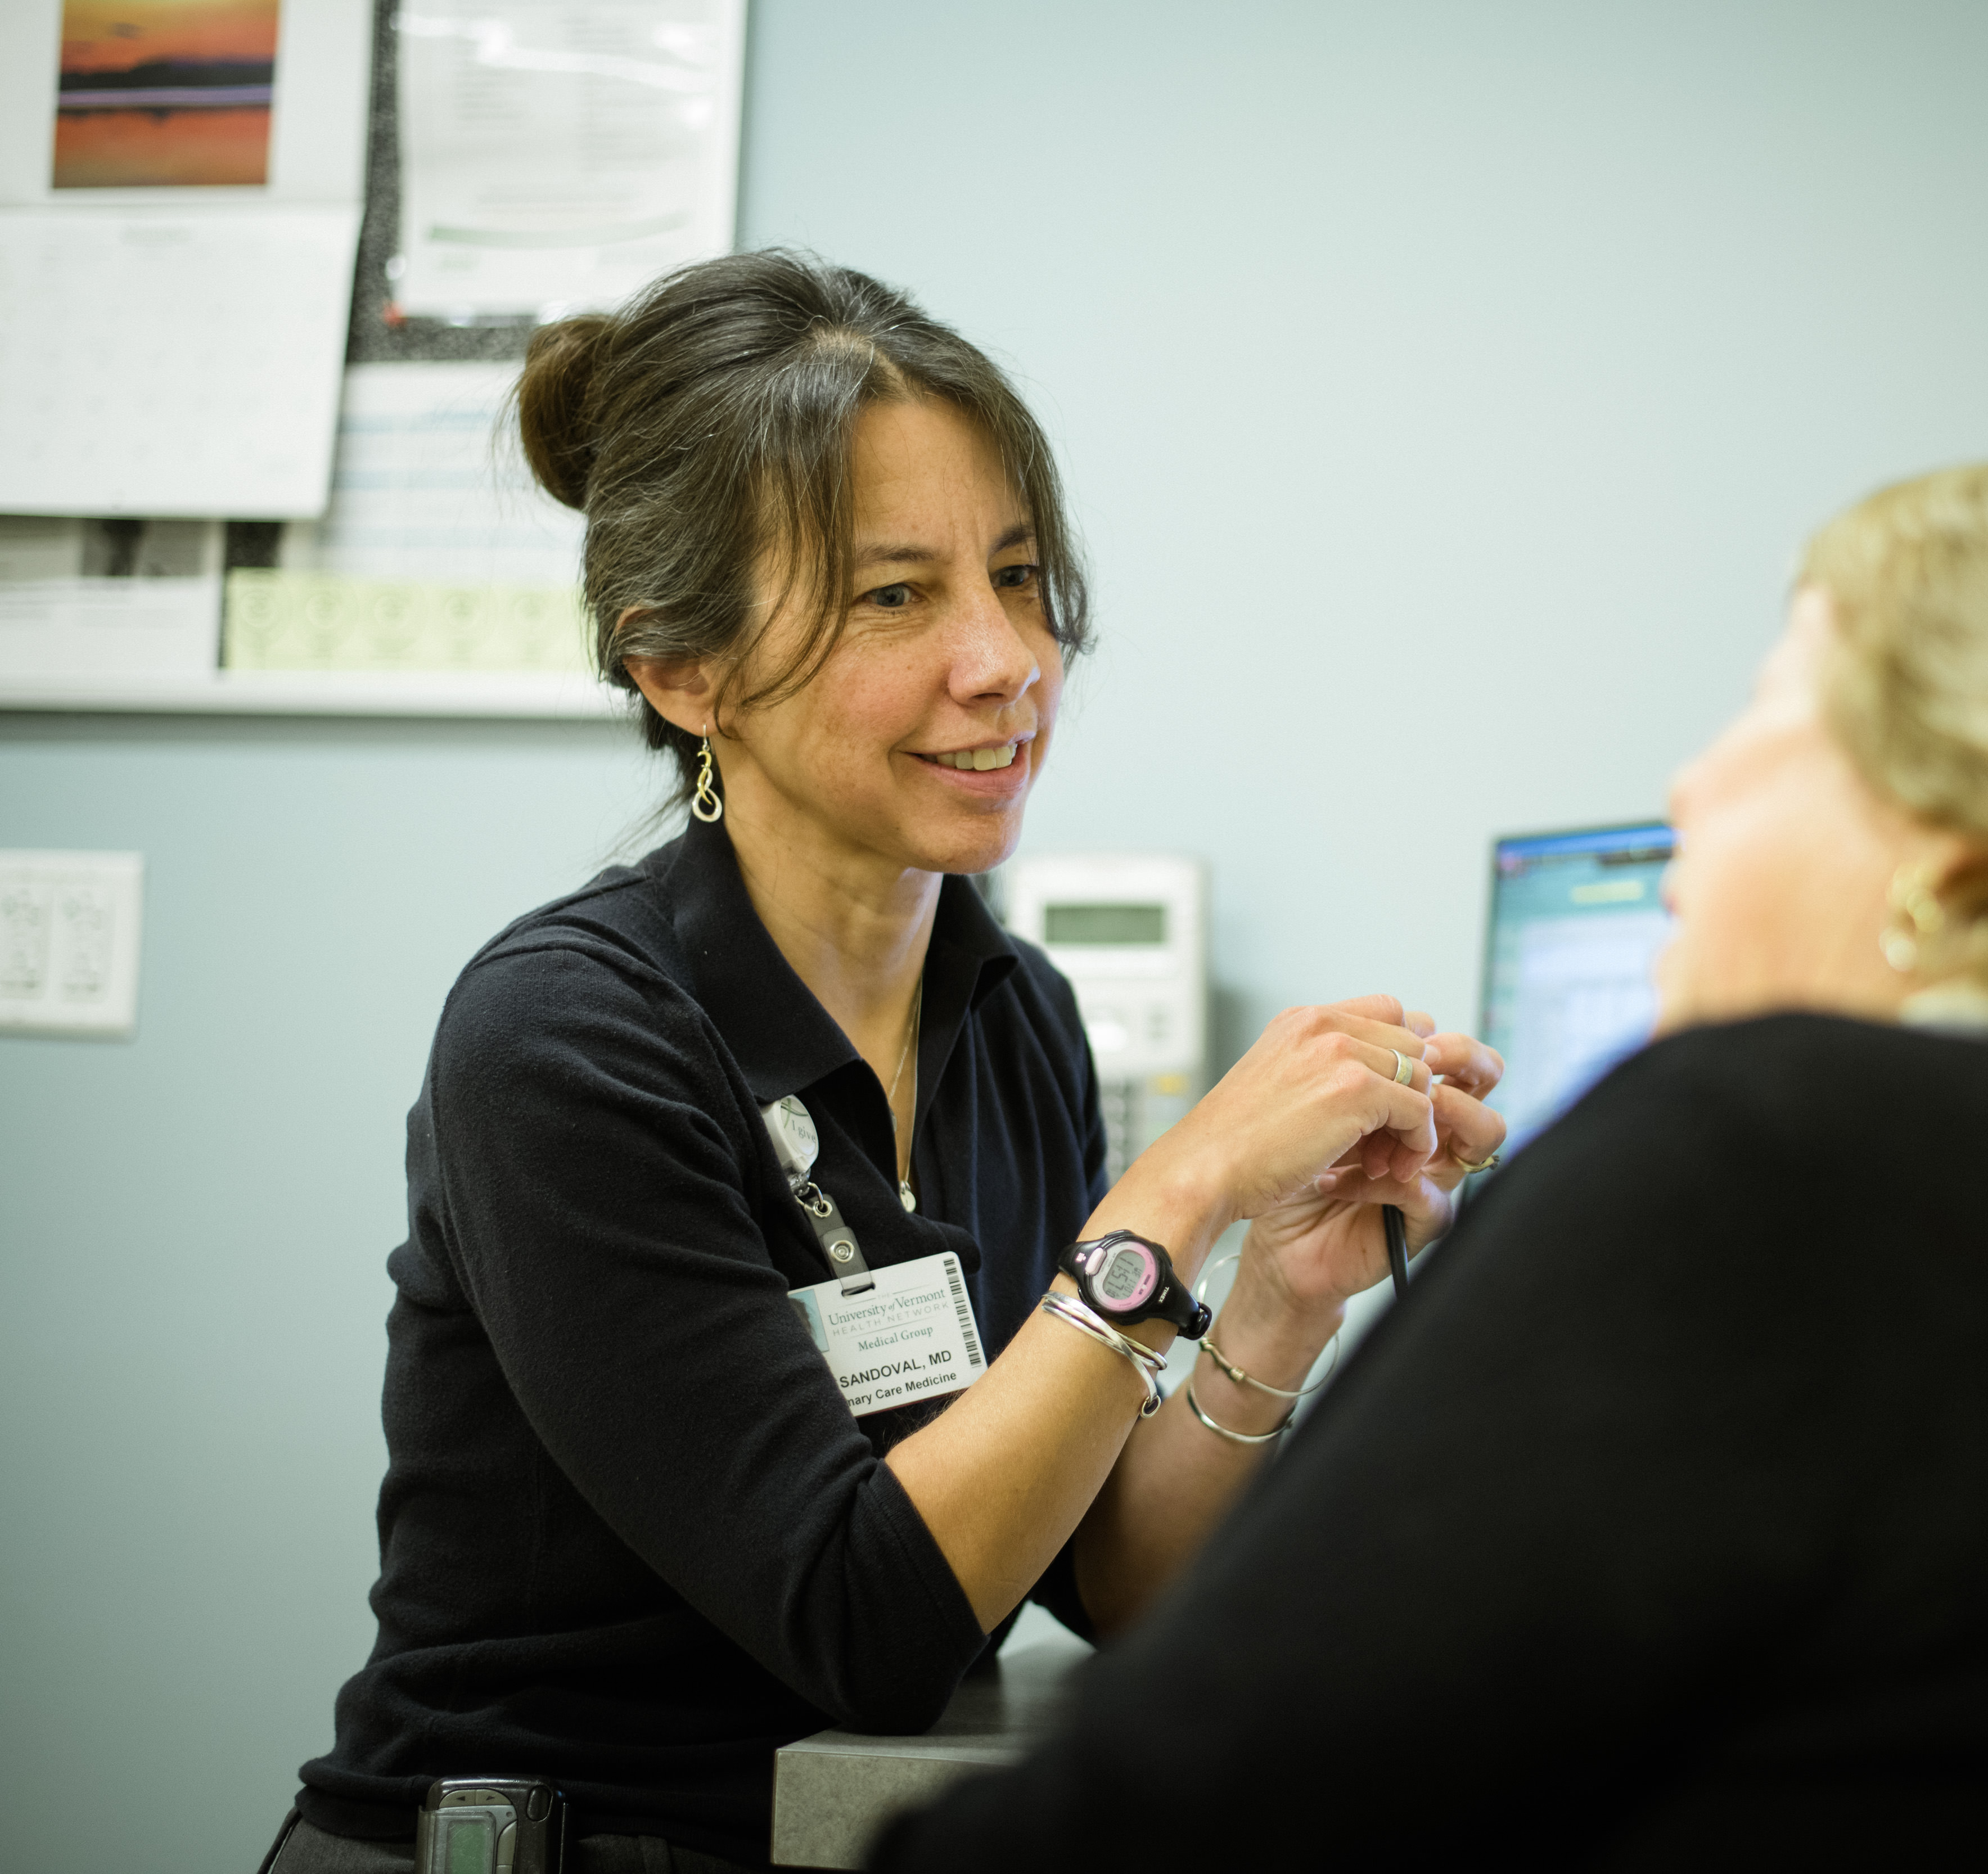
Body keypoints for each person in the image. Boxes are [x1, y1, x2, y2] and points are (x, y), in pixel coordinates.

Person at [871, 434, 1988, 1866]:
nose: (1692, 785)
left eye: (1772, 712)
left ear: (1961, 843)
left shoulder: (1772, 1162)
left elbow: (1116, 1837)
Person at [261, 251, 1505, 1874]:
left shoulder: (1012, 1015)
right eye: (895, 596)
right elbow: (865, 1619)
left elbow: (1101, 1574)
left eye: (1017, 575)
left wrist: (1279, 1290)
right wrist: (1182, 1190)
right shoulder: (565, 1037)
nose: (1006, 663)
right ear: (680, 669)